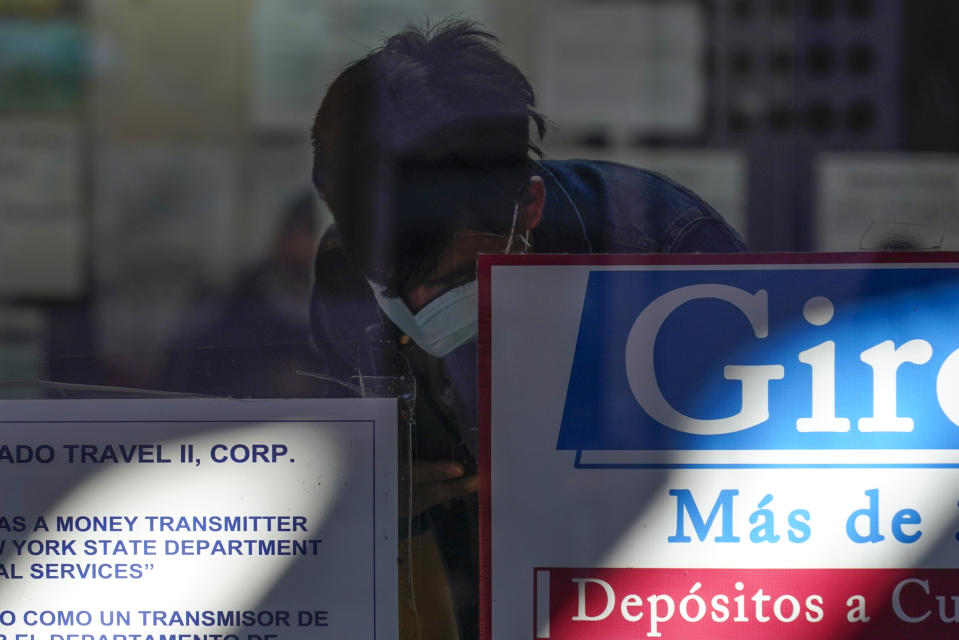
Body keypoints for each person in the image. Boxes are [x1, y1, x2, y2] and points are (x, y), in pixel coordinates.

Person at [308, 19, 745, 640]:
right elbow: (332, 489)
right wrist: (372, 499)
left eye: (451, 278)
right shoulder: (344, 267)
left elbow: (757, 507)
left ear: (529, 208)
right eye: (391, 283)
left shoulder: (667, 257)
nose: (420, 307)